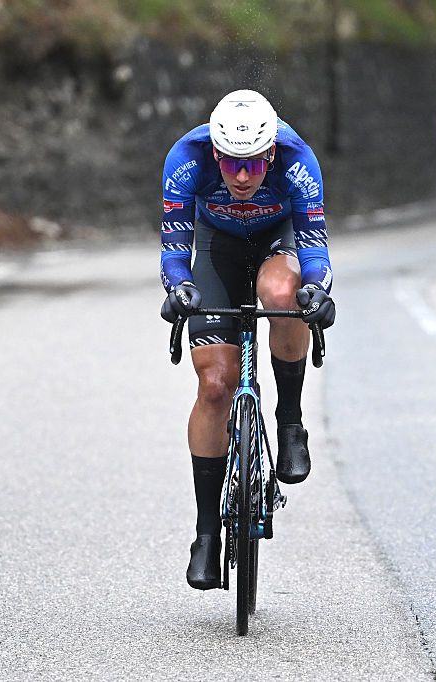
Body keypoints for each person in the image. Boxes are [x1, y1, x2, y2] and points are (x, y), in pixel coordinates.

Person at [159, 89, 336, 590]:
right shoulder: (185, 159)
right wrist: (179, 290)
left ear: (272, 153)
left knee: (284, 293)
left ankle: (290, 422)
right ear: (215, 152)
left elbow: (315, 250)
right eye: (232, 164)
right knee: (215, 385)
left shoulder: (299, 160)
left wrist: (316, 294)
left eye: (254, 165)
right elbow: (175, 251)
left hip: (276, 241)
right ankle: (207, 534)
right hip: (218, 249)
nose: (241, 176)